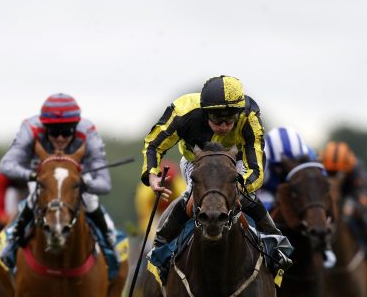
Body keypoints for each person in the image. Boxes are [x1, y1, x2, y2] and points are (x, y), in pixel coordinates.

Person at [140, 75, 292, 271]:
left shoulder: (249, 117)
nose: (224, 126)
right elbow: (153, 144)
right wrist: (152, 175)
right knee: (190, 197)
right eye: (217, 119)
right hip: (196, 162)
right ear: (205, 113)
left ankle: (276, 246)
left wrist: (238, 186)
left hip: (233, 163)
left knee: (247, 197)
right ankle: (161, 246)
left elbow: (256, 169)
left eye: (230, 120)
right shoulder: (183, 111)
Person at [0, 93, 116, 269]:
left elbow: (105, 184)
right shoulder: (30, 128)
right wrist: (32, 176)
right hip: (42, 177)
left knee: (91, 201)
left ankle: (109, 242)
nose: (60, 138)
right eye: (54, 131)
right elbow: (6, 165)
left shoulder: (88, 131)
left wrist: (85, 183)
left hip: (75, 180)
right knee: (34, 196)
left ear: (76, 127)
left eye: (67, 131)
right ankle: (13, 239)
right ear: (44, 127)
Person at [260, 126, 336, 268]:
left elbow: (321, 185)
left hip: (298, 189)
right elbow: (254, 189)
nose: (286, 166)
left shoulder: (309, 155)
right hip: (266, 190)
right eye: (279, 166)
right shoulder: (261, 159)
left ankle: (325, 247)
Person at [319, 140, 367, 272]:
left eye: (338, 173)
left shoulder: (356, 168)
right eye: (330, 172)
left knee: (358, 220)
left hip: (348, 199)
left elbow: (362, 192)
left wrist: (354, 206)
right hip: (327, 198)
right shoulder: (318, 165)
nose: (333, 176)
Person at [134, 158, 187, 238]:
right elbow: (146, 217)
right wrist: (153, 236)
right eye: (163, 182)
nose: (166, 186)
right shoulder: (145, 192)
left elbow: (186, 212)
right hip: (155, 214)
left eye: (169, 183)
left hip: (174, 212)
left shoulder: (181, 187)